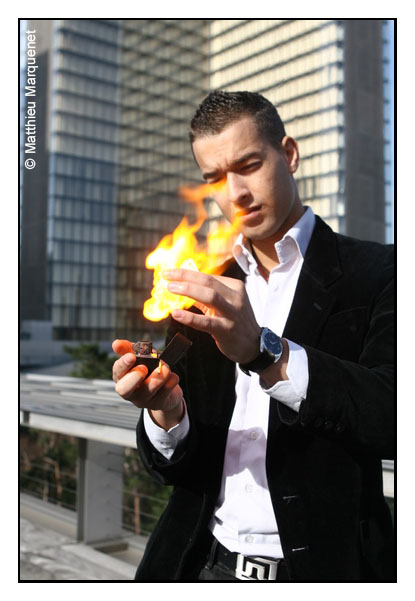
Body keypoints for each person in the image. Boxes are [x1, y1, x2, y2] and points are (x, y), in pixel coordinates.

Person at [112, 91, 395, 582]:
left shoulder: (379, 272)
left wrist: (267, 353)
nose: (235, 192)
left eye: (249, 164)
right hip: (199, 565)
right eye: (215, 178)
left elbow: (392, 417)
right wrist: (164, 412)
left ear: (288, 154)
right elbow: (175, 467)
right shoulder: (204, 283)